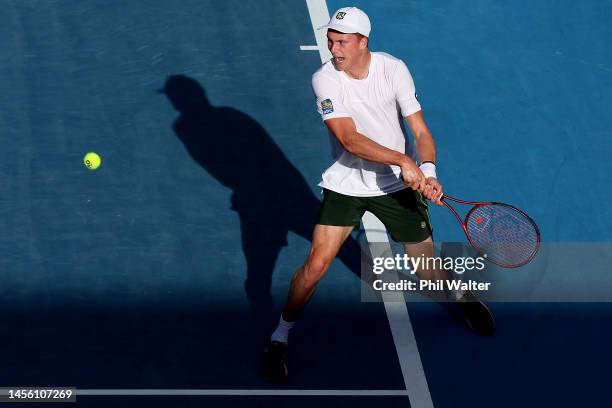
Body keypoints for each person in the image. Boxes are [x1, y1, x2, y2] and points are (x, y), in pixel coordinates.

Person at [260, 7, 494, 383]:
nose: (334, 49)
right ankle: (280, 336)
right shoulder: (325, 80)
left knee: (428, 271)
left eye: (342, 42)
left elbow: (420, 130)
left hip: (397, 187)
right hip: (347, 185)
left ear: (363, 42)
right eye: (331, 41)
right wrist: (403, 160)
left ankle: (462, 298)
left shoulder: (393, 69)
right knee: (317, 264)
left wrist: (428, 170)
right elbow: (348, 139)